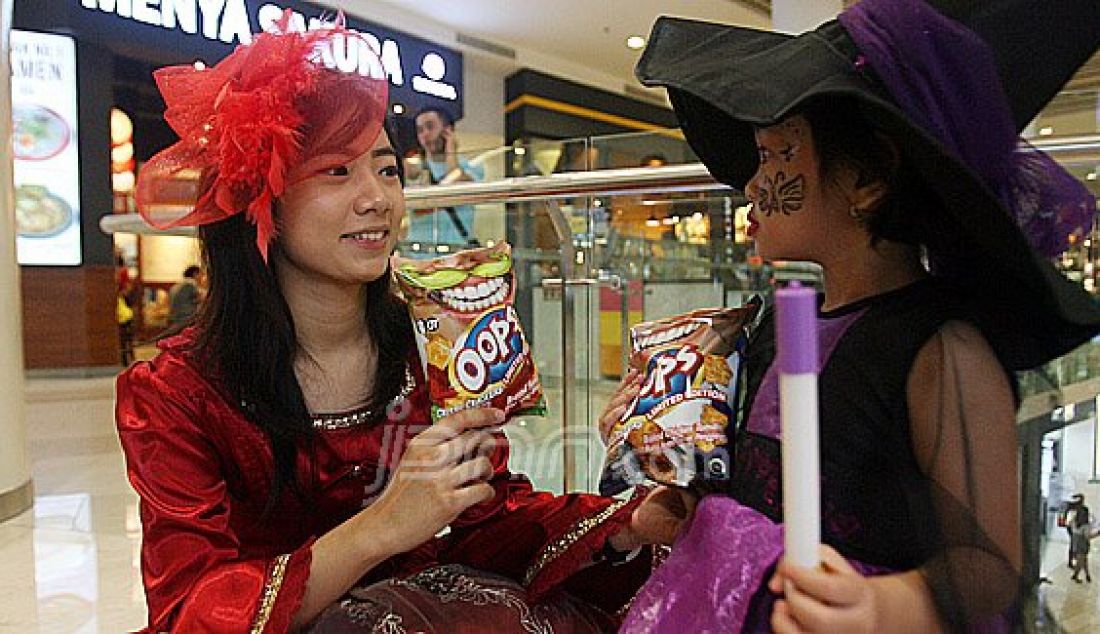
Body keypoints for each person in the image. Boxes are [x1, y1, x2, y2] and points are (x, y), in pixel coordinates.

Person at [118, 16, 678, 632]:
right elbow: (188, 612)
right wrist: (382, 526)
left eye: (387, 169)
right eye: (338, 170)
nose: (378, 199)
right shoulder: (176, 393)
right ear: (261, 199)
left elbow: (489, 518)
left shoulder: (434, 344)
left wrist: (628, 523)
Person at [612, 0, 1100, 631]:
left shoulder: (942, 350)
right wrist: (676, 471)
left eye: (775, 154)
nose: (752, 185)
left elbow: (986, 567)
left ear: (868, 179)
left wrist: (878, 606)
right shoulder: (778, 328)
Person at [404, 106, 483, 248]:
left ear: (448, 130)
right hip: (418, 254)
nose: (425, 135)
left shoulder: (471, 167)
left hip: (456, 254)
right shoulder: (413, 168)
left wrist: (450, 151)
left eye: (430, 127)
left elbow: (455, 186)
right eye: (420, 130)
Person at [166, 264, 204, 331]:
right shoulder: (191, 282)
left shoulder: (176, 285)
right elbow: (202, 298)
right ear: (195, 274)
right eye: (201, 274)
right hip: (185, 320)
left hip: (173, 320)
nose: (202, 277)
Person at [1070, 504, 1093, 583]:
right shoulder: (1086, 525)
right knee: (1080, 562)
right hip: (1083, 545)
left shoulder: (1074, 521)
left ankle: (1087, 575)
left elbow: (1070, 527)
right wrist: (1098, 534)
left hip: (1075, 543)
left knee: (1084, 560)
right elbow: (1087, 537)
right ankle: (1075, 576)